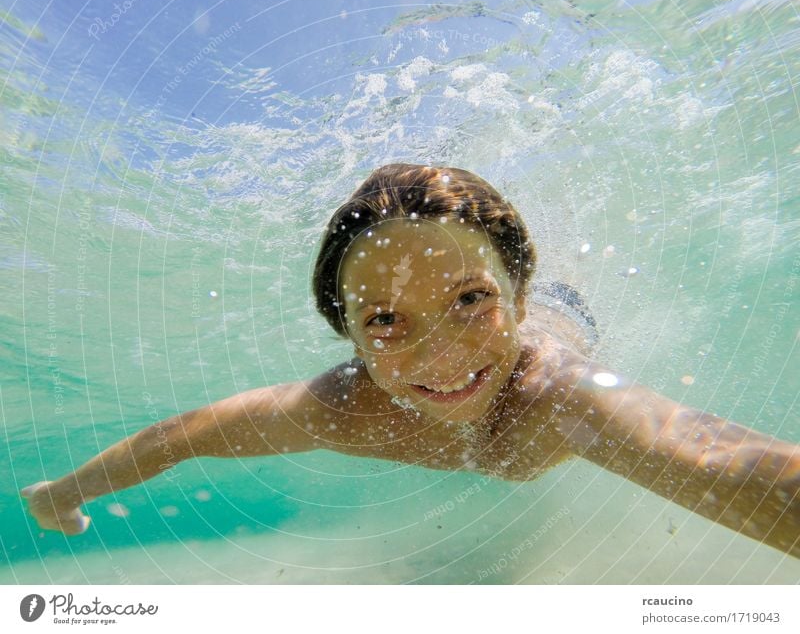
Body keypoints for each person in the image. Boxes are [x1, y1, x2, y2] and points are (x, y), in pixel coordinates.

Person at [22, 163, 800, 558]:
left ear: (516, 297)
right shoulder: (338, 405)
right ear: (349, 337)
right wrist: (62, 490)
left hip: (566, 316)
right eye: (387, 319)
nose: (441, 352)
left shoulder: (561, 396)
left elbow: (713, 460)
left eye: (471, 300)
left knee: (571, 302)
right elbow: (184, 434)